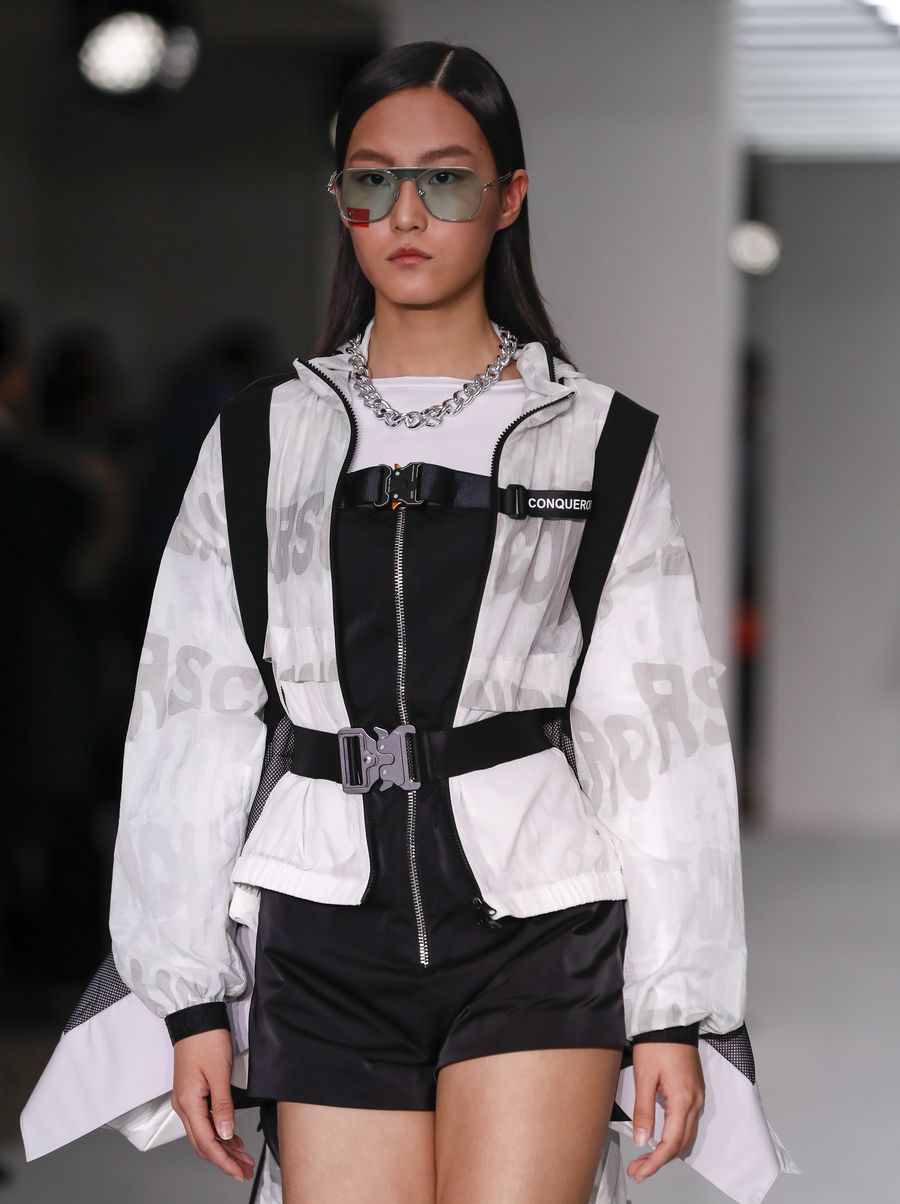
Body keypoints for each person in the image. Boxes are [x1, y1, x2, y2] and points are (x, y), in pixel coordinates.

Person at [107, 41, 748, 1204]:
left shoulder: (594, 440)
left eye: (446, 179)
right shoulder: (258, 439)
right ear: (341, 200)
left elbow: (657, 730)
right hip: (322, 925)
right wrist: (186, 996)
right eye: (372, 180)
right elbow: (189, 713)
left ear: (508, 197)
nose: (405, 213)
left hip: (535, 918)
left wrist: (672, 1008)